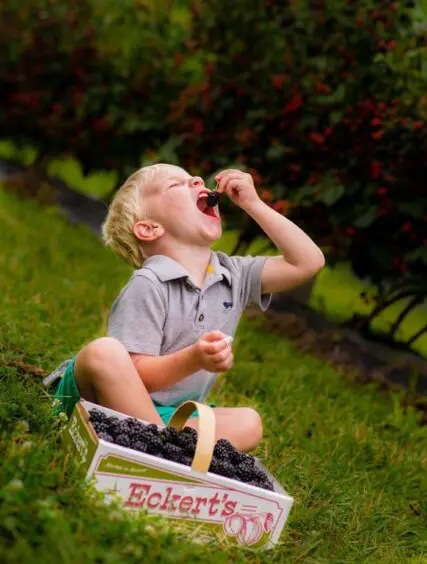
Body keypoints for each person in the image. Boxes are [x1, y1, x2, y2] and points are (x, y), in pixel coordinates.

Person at [52, 164, 324, 451]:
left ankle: (157, 447)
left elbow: (308, 262)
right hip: (103, 401)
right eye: (175, 184)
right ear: (149, 228)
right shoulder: (149, 283)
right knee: (103, 352)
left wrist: (253, 205)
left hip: (169, 417)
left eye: (193, 178)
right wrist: (193, 359)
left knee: (249, 423)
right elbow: (137, 374)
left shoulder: (234, 275)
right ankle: (161, 451)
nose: (197, 180)